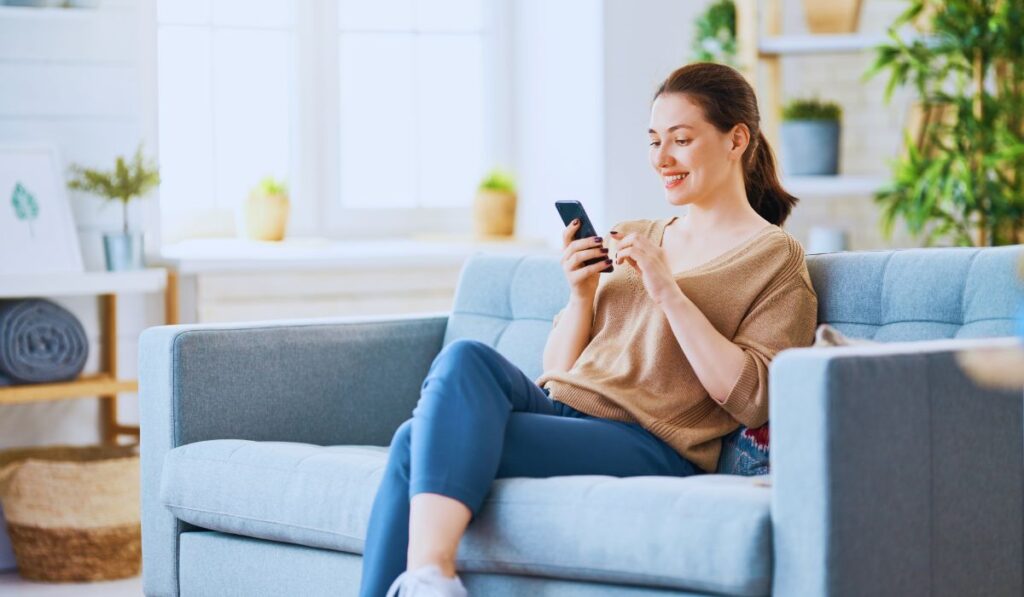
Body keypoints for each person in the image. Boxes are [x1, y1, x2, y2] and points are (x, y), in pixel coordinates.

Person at [359, 61, 819, 597]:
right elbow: (557, 372)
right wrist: (580, 295)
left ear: (736, 139)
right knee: (464, 360)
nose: (662, 159)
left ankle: (430, 579)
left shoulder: (776, 260)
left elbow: (750, 398)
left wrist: (667, 289)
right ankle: (431, 578)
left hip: (651, 444)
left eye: (681, 140)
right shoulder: (639, 234)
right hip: (566, 412)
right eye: (653, 141)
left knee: (415, 440)